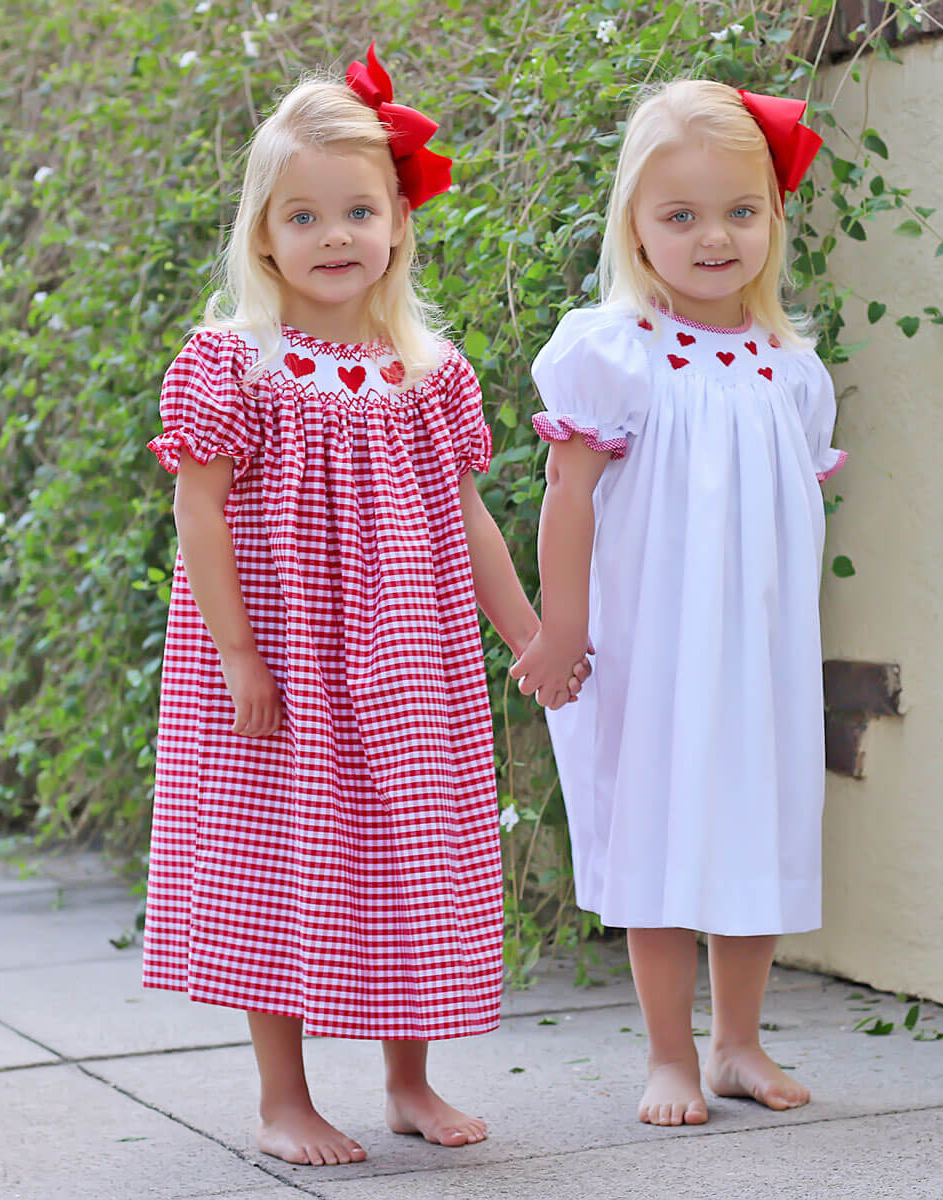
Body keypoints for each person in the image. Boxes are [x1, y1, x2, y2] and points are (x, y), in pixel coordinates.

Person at [140, 44, 586, 1167]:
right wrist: (238, 654)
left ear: (397, 223)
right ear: (263, 236)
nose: (335, 235)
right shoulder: (234, 364)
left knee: (411, 848)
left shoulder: (426, 370)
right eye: (304, 216)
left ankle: (408, 1080)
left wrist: (530, 632)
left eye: (358, 210)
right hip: (281, 657)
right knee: (279, 851)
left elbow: (468, 517)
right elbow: (200, 513)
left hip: (404, 652)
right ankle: (282, 1096)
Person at [511, 80, 845, 1127]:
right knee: (659, 829)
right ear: (636, 226)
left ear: (774, 220)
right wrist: (563, 627)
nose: (714, 237)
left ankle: (738, 1041)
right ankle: (666, 1053)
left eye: (740, 212)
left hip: (758, 650)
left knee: (754, 824)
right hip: (654, 640)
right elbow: (570, 499)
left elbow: (784, 516)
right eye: (682, 216)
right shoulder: (614, 352)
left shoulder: (792, 370)